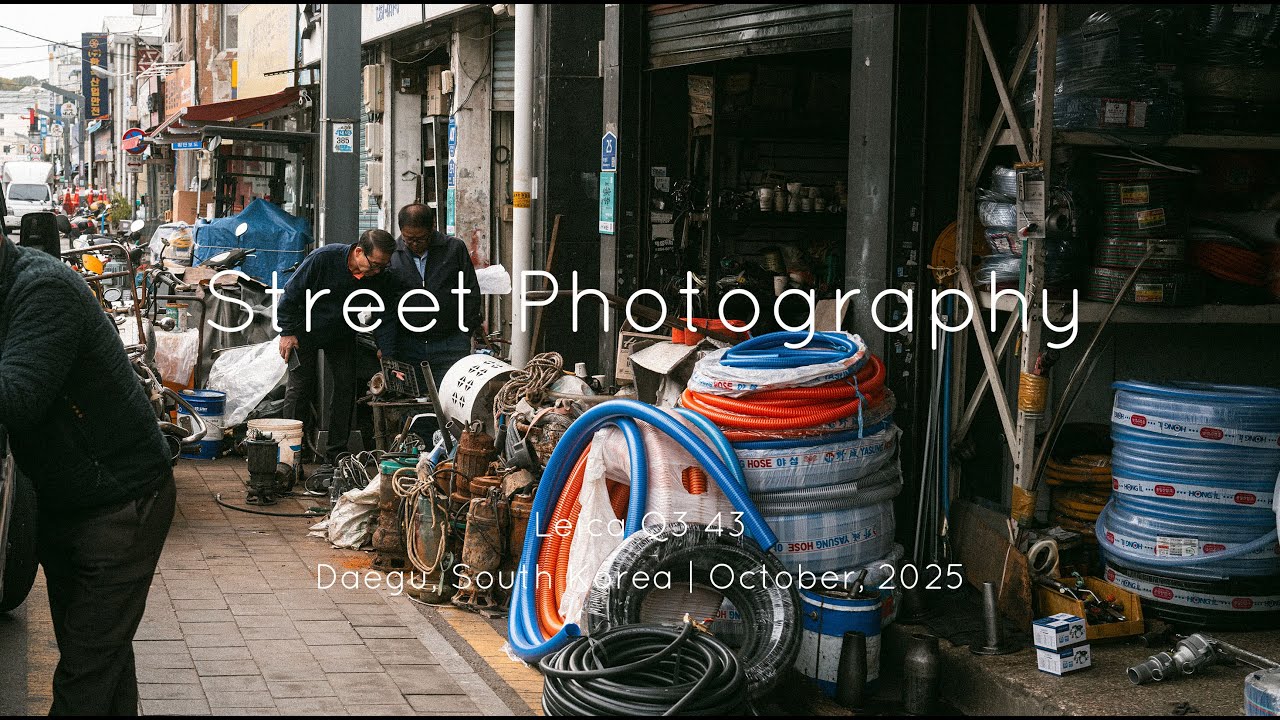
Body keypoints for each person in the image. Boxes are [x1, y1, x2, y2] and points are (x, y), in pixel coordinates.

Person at [0, 234, 175, 714]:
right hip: (68, 499)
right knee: (101, 660)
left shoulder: (43, 290)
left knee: (85, 677)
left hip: (120, 502)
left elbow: (17, 398)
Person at [278, 229, 398, 464]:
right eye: (374, 264)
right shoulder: (324, 258)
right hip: (304, 328)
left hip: (342, 331)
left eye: (382, 266)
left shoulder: (379, 276)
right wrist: (287, 332)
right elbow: (291, 293)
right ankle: (291, 453)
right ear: (359, 251)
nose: (376, 271)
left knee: (345, 386)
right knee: (300, 388)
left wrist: (386, 349)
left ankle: (336, 452)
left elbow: (385, 314)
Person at [384, 203, 482, 380]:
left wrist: (464, 332)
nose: (414, 244)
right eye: (408, 239)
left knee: (450, 393)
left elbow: (470, 291)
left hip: (450, 343)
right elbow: (386, 302)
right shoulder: (392, 254)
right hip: (407, 345)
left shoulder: (454, 249)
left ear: (432, 228)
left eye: (421, 239)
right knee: (412, 395)